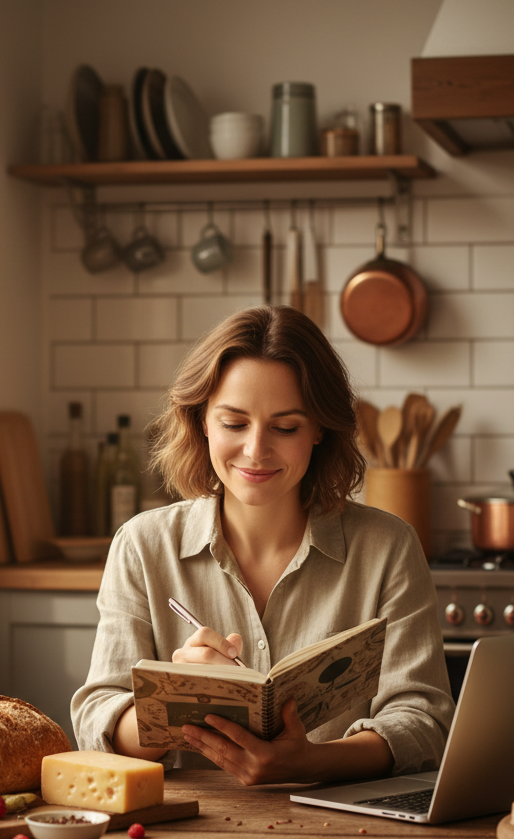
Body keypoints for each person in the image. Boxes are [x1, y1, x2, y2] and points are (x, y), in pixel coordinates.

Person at [71, 306, 454, 785]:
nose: (255, 450)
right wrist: (174, 704)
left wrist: (314, 761)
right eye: (234, 423)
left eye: (286, 427)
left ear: (319, 430)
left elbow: (424, 721)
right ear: (203, 422)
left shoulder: (388, 547)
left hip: (347, 832)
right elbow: (96, 721)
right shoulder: (142, 545)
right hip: (185, 835)